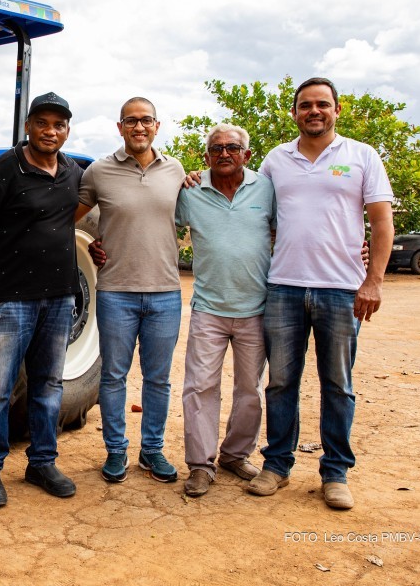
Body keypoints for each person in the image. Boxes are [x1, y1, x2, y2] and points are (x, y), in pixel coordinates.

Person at [246, 76, 394, 510]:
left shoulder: (362, 156)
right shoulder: (277, 160)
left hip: (342, 291)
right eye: (305, 105)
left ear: (337, 110)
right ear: (294, 112)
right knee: (281, 383)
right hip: (284, 288)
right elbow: (258, 214)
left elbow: (381, 223)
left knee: (338, 385)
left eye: (322, 104)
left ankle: (335, 474)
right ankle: (276, 466)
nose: (314, 111)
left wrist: (374, 280)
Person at [0, 92, 84, 508]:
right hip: (9, 299)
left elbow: (67, 219)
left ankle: (41, 462)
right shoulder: (5, 170)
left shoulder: (71, 171)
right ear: (28, 125)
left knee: (48, 385)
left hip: (60, 297)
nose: (51, 131)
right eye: (43, 123)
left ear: (67, 130)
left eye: (59, 124)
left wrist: (91, 248)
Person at [75, 97, 185, 484]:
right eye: (131, 121)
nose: (139, 127)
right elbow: (69, 219)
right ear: (119, 127)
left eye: (146, 121)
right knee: (113, 377)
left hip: (165, 293)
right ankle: (116, 451)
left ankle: (152, 451)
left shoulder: (175, 171)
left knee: (158, 379)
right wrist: (88, 243)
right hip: (116, 292)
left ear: (157, 126)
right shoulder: (98, 172)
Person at [174, 124, 274, 497]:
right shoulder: (190, 192)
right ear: (206, 157)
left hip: (256, 308)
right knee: (200, 387)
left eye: (233, 147)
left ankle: (235, 454)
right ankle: (201, 465)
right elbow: (157, 222)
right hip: (208, 309)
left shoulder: (265, 188)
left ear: (247, 155)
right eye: (216, 149)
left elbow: (290, 229)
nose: (224, 153)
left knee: (250, 389)